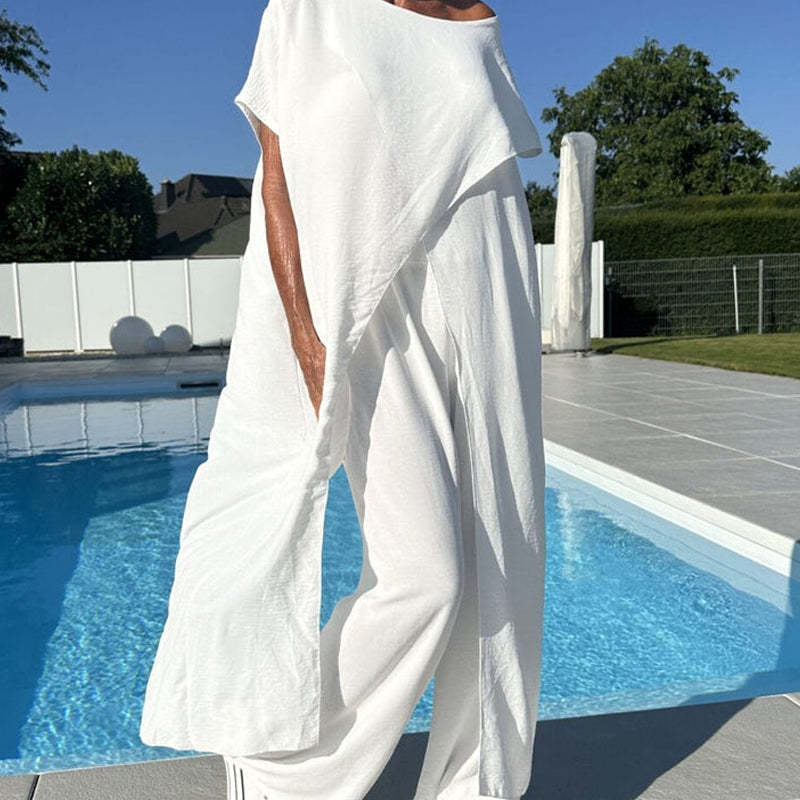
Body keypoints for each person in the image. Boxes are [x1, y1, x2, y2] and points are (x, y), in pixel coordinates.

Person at [139, 2, 548, 799]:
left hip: (483, 298)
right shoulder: (307, 11)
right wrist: (303, 330)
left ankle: (473, 784)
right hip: (370, 313)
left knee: (502, 558)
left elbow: (493, 188)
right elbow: (278, 177)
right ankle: (282, 773)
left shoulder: (475, 23)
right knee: (425, 575)